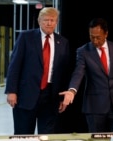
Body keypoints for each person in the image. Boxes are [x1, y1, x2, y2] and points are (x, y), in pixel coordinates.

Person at [5, 7, 73, 135]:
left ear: (56, 22)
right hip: (25, 96)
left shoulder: (63, 42)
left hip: (51, 97)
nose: (49, 23)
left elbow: (64, 72)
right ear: (39, 21)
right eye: (46, 20)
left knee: (47, 135)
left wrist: (63, 97)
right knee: (23, 134)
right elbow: (14, 65)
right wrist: (11, 91)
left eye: (52, 20)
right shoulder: (26, 37)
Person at [59, 18, 113, 132]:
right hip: (95, 106)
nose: (95, 41)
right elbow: (78, 72)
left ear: (106, 33)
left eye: (98, 37)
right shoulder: (83, 51)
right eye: (92, 37)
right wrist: (72, 90)